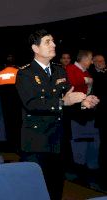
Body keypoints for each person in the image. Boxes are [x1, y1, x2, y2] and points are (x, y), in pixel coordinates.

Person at [15, 29, 99, 200]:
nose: (53, 44)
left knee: (55, 190)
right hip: (36, 143)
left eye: (53, 41)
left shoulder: (60, 70)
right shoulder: (25, 73)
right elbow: (32, 104)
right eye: (47, 41)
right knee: (35, 191)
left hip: (58, 140)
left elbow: (68, 101)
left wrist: (82, 104)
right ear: (35, 48)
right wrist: (63, 102)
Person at [0, 54, 21, 152]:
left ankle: (11, 145)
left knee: (8, 125)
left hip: (5, 105)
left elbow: (0, 89)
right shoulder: (19, 72)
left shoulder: (0, 74)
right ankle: (17, 146)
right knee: (18, 125)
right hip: (17, 104)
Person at [90, 54, 107, 188]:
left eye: (102, 61)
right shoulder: (92, 76)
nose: (101, 63)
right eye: (98, 61)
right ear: (93, 63)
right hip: (103, 115)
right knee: (104, 145)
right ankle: (102, 175)